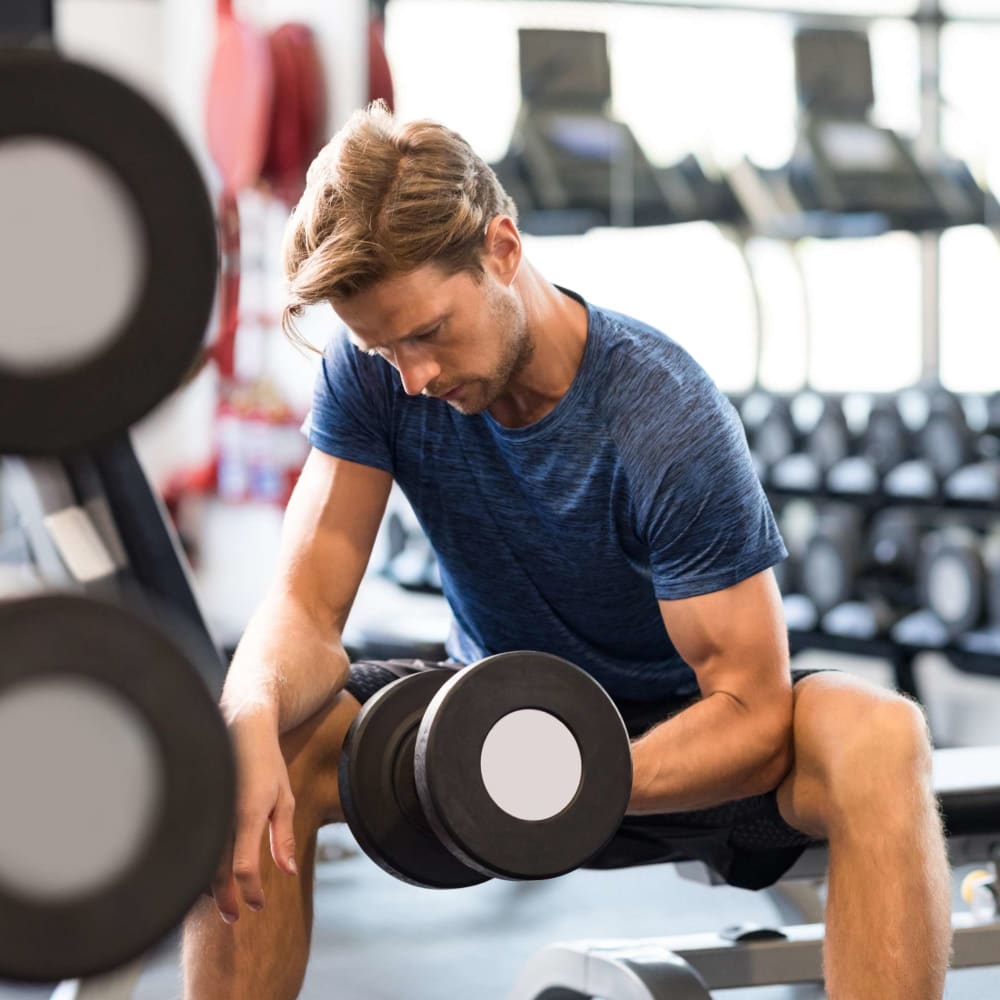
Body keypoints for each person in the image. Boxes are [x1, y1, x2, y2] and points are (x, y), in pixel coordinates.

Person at [182, 102, 951, 1000]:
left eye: (428, 332)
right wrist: (242, 718)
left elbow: (747, 706)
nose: (415, 377)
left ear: (502, 249)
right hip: (483, 725)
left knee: (881, 736)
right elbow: (306, 609)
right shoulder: (382, 374)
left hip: (679, 745)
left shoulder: (662, 417)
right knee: (257, 741)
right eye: (383, 347)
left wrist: (571, 772)